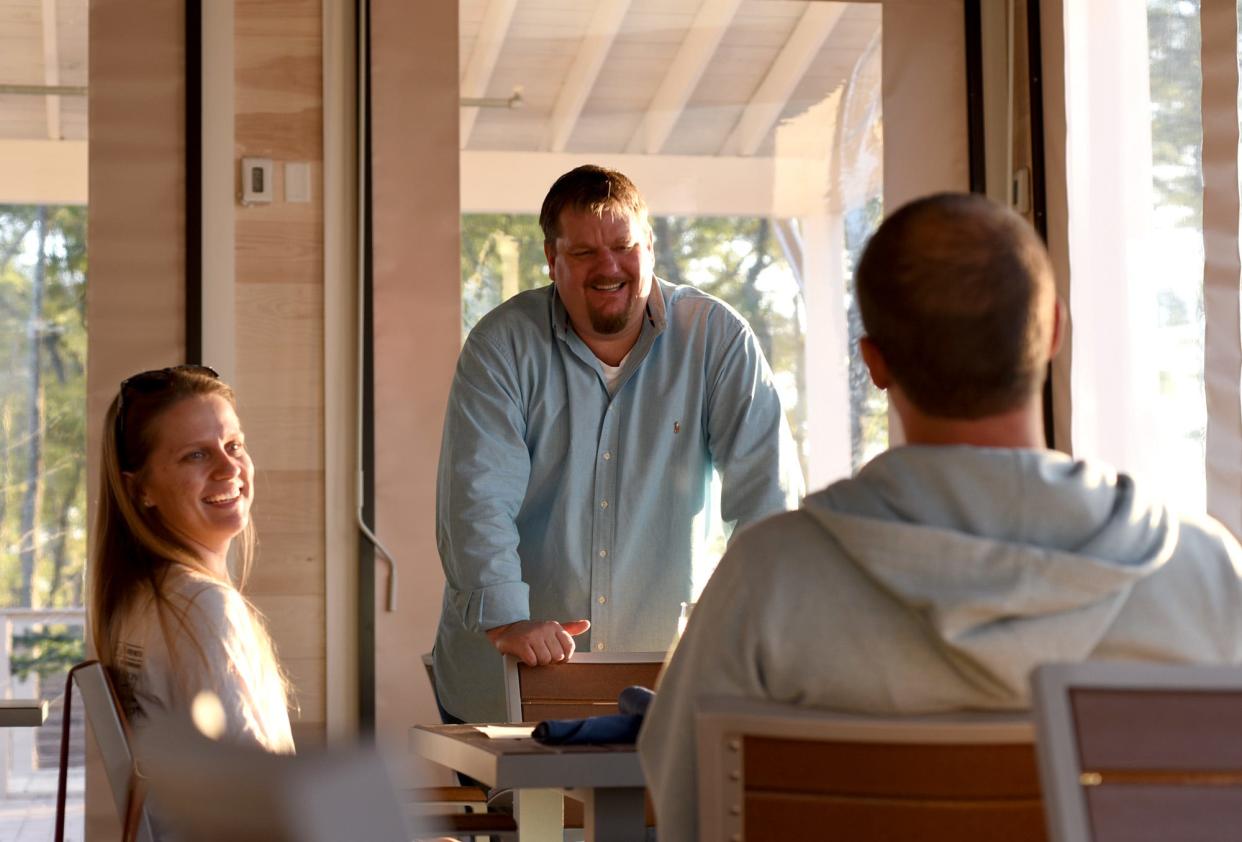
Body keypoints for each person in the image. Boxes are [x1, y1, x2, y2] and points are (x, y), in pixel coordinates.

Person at [638, 192, 1242, 839]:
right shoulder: (1202, 574)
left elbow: (683, 811)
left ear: (874, 363)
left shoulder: (766, 584)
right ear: (1054, 333)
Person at [434, 165, 804, 722]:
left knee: (666, 815)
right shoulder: (502, 346)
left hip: (664, 688)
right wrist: (508, 617)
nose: (608, 267)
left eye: (624, 246)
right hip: (508, 683)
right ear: (551, 260)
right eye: (583, 252)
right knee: (520, 814)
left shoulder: (718, 340)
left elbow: (768, 499)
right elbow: (477, 497)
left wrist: (745, 621)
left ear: (650, 247)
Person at [90, 364, 294, 754]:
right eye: (196, 454)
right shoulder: (199, 605)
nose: (230, 467)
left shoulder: (143, 600)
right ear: (140, 489)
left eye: (234, 445)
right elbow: (250, 791)